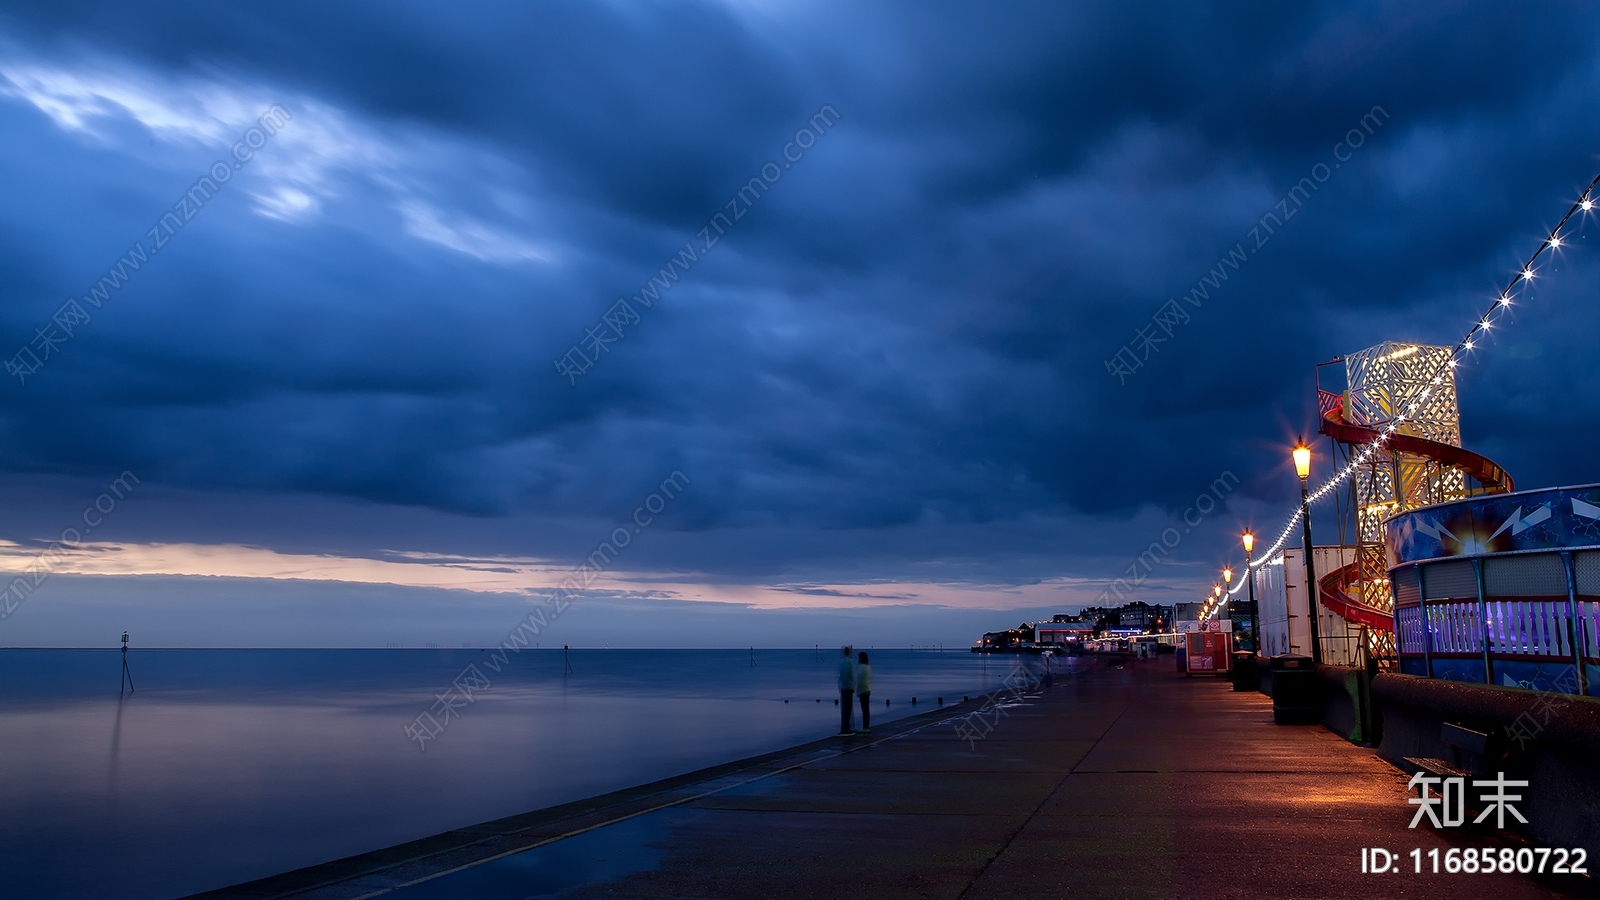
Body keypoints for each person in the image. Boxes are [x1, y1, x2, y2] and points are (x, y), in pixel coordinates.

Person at [836, 646, 855, 735]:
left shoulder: (842, 662)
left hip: (843, 687)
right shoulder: (849, 662)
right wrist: (852, 686)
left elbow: (840, 676)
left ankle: (844, 727)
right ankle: (846, 728)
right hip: (848, 688)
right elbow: (850, 676)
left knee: (844, 708)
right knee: (847, 709)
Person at [855, 651, 872, 733]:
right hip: (867, 688)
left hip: (863, 689)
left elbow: (858, 679)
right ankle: (866, 726)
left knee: (864, 709)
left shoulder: (861, 667)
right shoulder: (868, 667)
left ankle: (865, 727)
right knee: (866, 709)